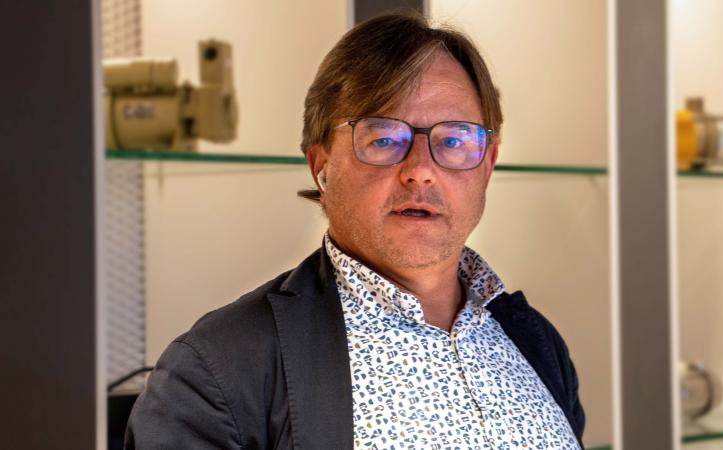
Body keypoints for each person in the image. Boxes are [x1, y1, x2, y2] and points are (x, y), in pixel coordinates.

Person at [125, 12, 584, 450]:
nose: (421, 170)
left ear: (488, 164)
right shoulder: (217, 370)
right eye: (383, 138)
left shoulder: (535, 341)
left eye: (453, 140)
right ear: (321, 165)